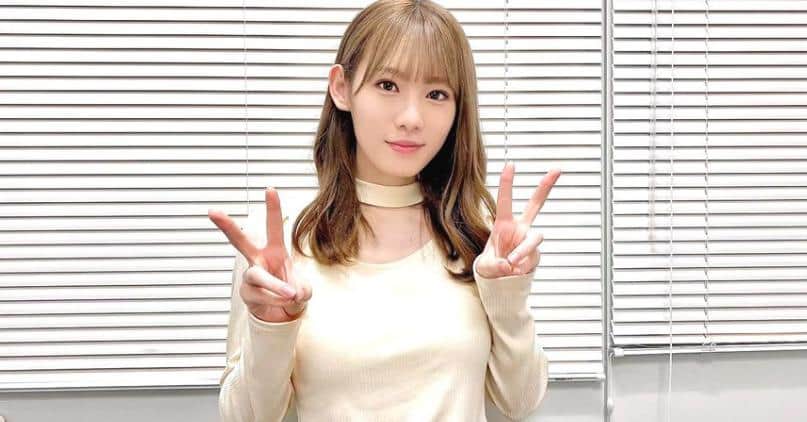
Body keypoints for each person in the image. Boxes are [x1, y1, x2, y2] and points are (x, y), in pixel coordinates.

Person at [208, 0, 561, 420]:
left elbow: (519, 402)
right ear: (341, 88)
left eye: (436, 94)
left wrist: (508, 296)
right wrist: (271, 326)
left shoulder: (479, 235)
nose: (412, 118)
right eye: (388, 85)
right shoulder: (282, 239)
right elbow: (248, 417)